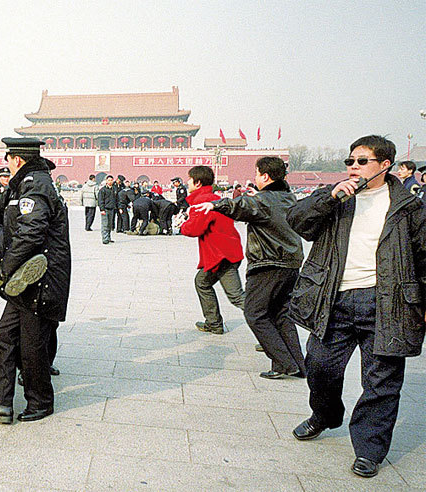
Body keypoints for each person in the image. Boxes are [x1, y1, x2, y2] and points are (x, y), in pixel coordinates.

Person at [286, 135, 426, 478]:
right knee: (319, 366)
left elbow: (424, 256)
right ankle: (325, 415)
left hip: (387, 302)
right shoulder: (336, 198)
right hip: (334, 298)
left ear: (385, 165)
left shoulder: (408, 206)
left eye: (362, 161)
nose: (353, 167)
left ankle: (369, 449)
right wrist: (329, 198)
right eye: (350, 161)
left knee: (381, 381)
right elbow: (297, 221)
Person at [0, 137, 71, 424]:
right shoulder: (26, 185)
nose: (8, 165)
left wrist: (6, 267)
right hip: (25, 280)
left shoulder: (36, 186)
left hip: (40, 279)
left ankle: (41, 402)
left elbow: (31, 232)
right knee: (4, 337)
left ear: (17, 160)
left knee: (32, 345)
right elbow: (11, 229)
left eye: (9, 160)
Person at [191, 157, 305, 378]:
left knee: (255, 314)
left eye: (257, 173)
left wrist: (215, 204)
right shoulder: (287, 197)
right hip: (290, 263)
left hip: (268, 263)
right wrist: (258, 197)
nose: (255, 177)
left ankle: (284, 363)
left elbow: (239, 206)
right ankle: (298, 365)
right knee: (281, 315)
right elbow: (261, 205)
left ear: (265, 176)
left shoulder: (263, 200)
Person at [180, 166, 245, 334]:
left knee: (237, 296)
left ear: (198, 182)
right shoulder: (214, 198)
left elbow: (194, 229)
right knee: (202, 282)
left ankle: (270, 326)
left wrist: (182, 224)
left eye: (189, 179)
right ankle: (213, 323)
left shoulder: (203, 201)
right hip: (225, 251)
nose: (187, 182)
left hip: (221, 255)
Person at [98, 175, 117, 244]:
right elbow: (100, 200)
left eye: (111, 180)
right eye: (109, 180)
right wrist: (102, 209)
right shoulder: (102, 190)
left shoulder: (114, 189)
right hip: (105, 209)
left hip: (112, 209)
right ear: (106, 181)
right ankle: (105, 238)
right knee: (105, 224)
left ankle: (108, 238)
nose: (110, 181)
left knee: (110, 225)